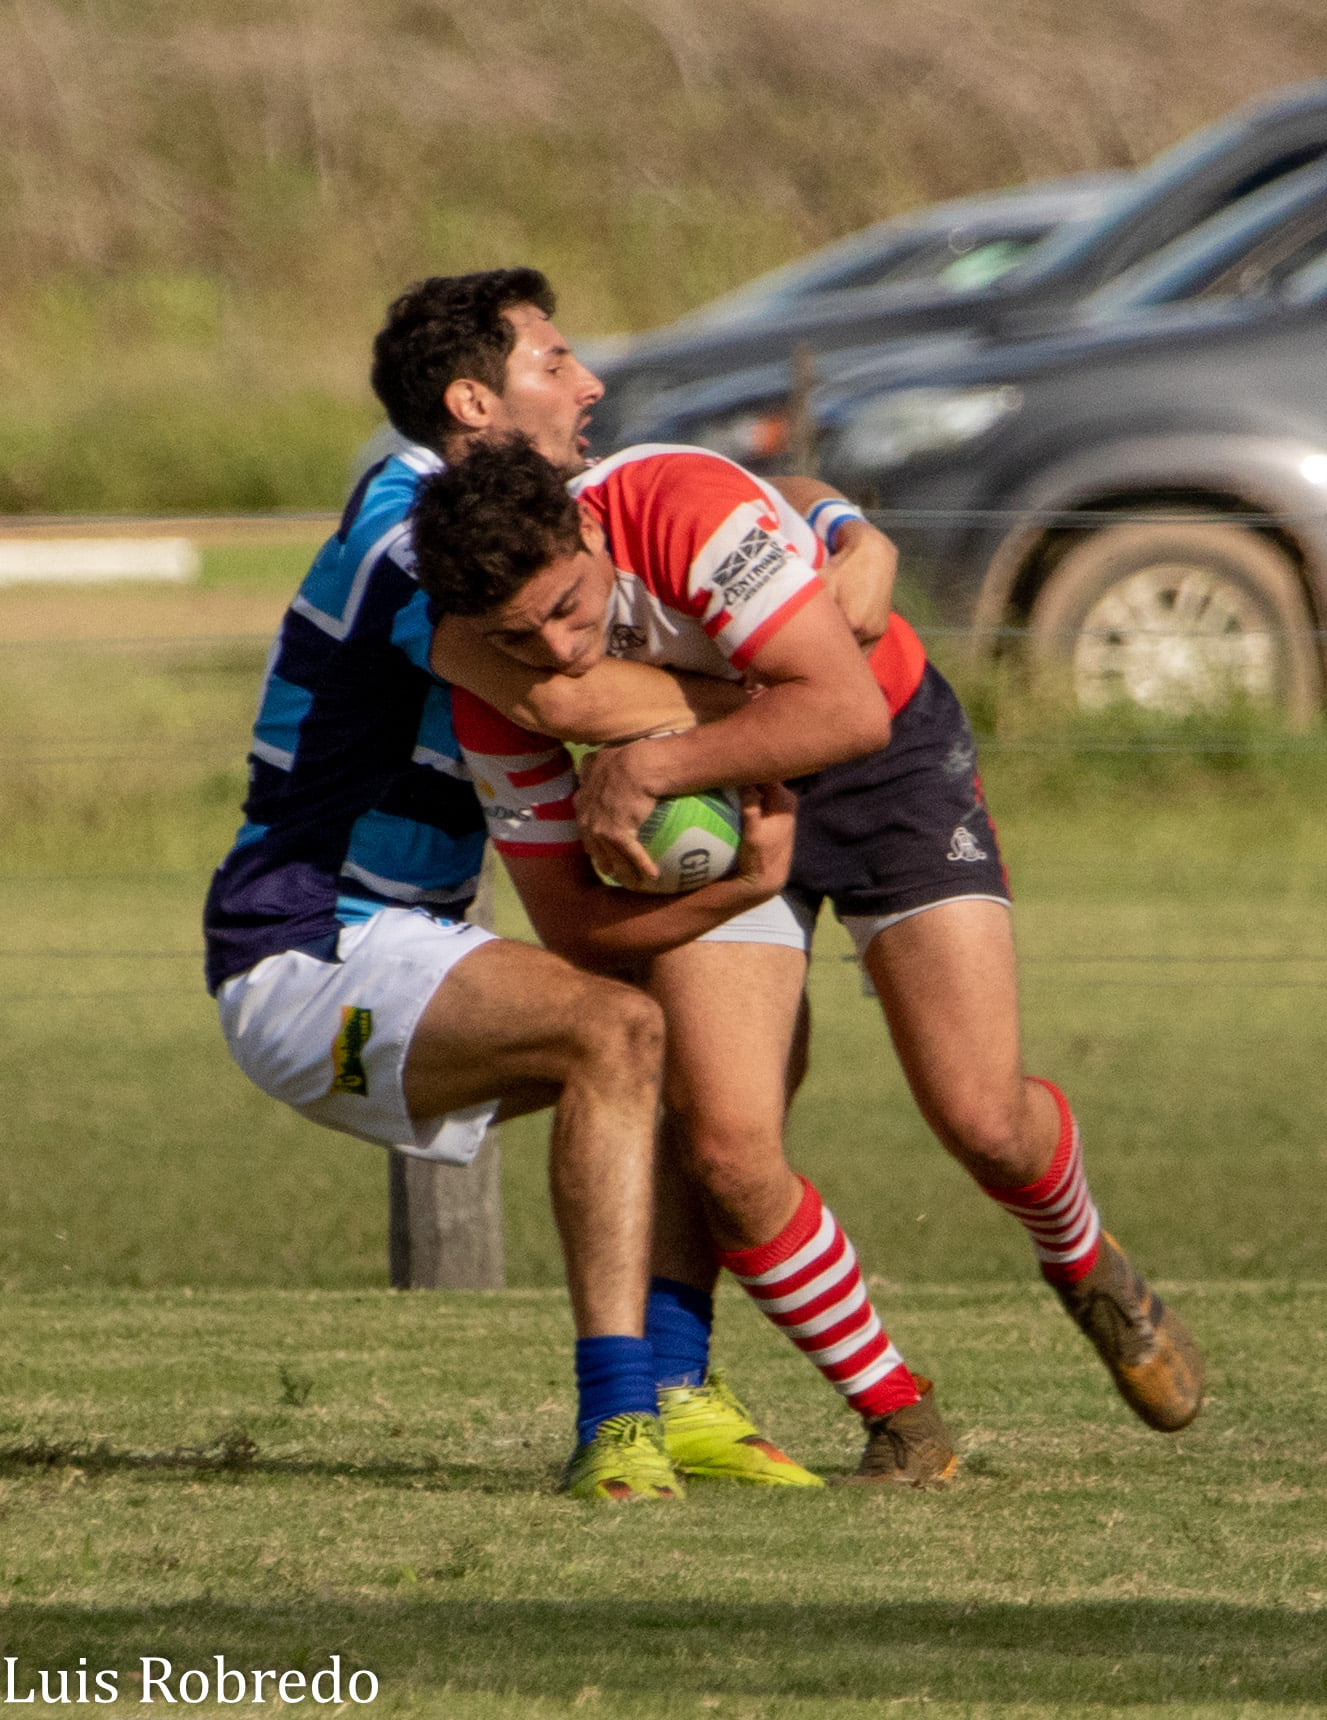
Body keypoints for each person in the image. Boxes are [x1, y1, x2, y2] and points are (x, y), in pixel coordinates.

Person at [414, 427, 1206, 1466]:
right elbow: (568, 924)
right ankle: (901, 1420)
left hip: (885, 762)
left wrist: (652, 766)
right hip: (719, 817)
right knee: (727, 1151)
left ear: (586, 528)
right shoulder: (481, 665)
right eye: (519, 638)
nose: (558, 650)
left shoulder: (678, 510)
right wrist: (739, 868)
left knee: (983, 1118)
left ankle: (1082, 1259)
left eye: (567, 607)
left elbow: (845, 710)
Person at [201, 268, 808, 1503]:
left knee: (696, 1048)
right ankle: (615, 1422)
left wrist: (829, 537)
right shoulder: (405, 526)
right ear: (472, 401)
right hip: (308, 952)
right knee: (618, 1027)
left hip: (408, 939)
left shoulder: (517, 514)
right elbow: (564, 694)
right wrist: (794, 697)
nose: (588, 384)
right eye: (553, 362)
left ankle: (680, 1389)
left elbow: (738, 525)